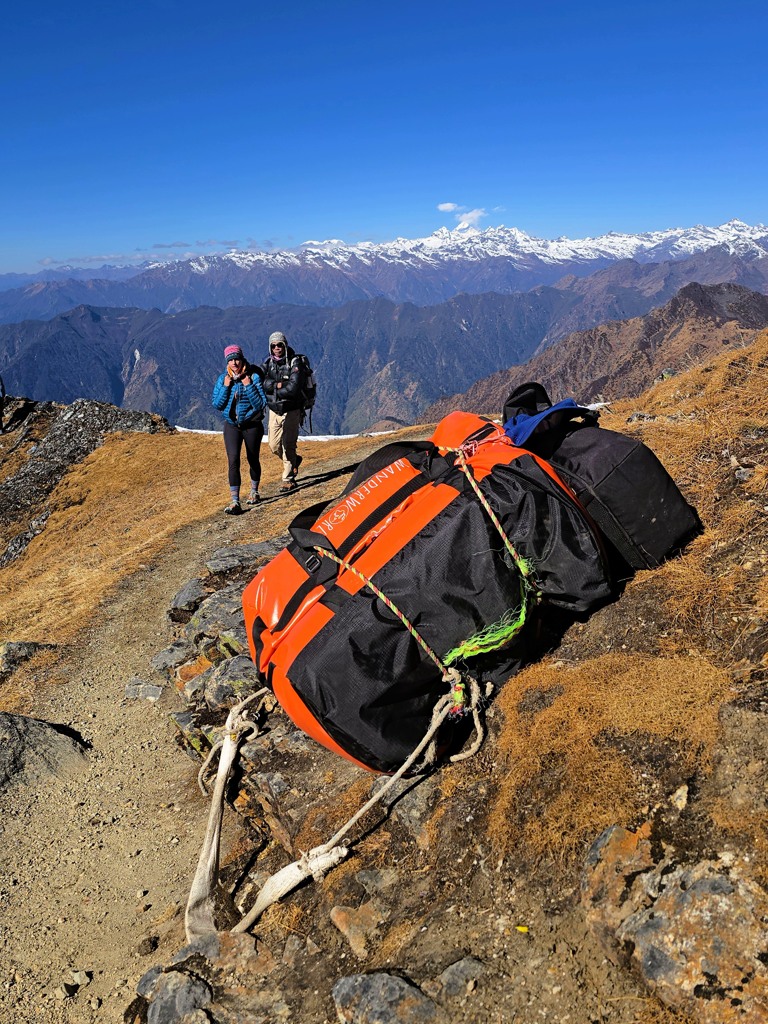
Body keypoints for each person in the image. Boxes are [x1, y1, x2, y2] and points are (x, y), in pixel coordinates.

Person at [211, 343, 267, 514]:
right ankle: (235, 501)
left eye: (236, 359)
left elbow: (260, 404)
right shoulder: (223, 379)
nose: (234, 363)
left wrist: (248, 384)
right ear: (227, 362)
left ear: (242, 359)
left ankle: (254, 492)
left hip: (252, 425)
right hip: (232, 426)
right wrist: (227, 387)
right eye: (231, 360)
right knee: (233, 460)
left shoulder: (254, 376)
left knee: (252, 458)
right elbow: (217, 404)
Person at [260, 331, 305, 492]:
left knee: (288, 444)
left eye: (280, 345)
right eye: (273, 345)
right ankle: (293, 461)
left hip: (292, 409)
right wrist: (279, 385)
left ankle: (288, 479)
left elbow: (293, 389)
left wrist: (273, 388)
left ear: (285, 345)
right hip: (274, 409)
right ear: (270, 347)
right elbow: (261, 381)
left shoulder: (295, 362)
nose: (277, 348)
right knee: (273, 445)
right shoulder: (267, 363)